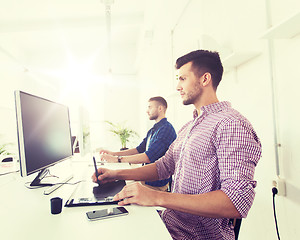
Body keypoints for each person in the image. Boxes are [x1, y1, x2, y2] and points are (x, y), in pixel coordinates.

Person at [93, 50, 262, 239]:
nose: (178, 86)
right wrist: (116, 174)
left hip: (195, 235)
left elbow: (237, 201)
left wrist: (157, 197)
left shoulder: (231, 124)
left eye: (182, 79)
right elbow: (164, 166)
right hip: (170, 223)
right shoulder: (189, 127)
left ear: (205, 79)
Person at [100, 96, 176, 191]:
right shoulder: (154, 129)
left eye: (150, 107)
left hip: (156, 183)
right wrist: (113, 154)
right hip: (146, 178)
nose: (147, 111)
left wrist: (117, 159)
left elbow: (148, 157)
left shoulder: (166, 129)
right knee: (116, 184)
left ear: (160, 108)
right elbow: (138, 150)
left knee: (121, 189)